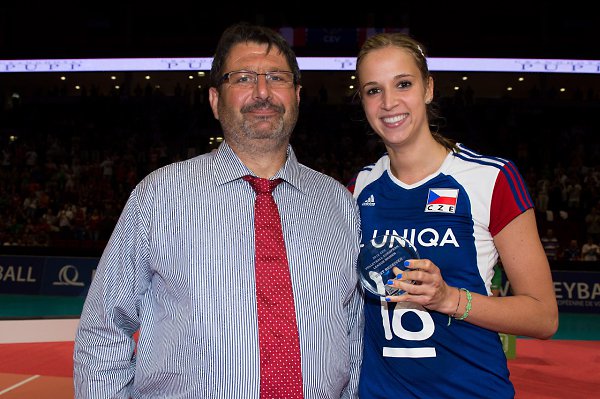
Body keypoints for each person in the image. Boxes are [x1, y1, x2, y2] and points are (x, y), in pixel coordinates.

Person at [73, 22, 363, 398]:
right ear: (214, 99)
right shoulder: (159, 195)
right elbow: (104, 328)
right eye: (243, 78)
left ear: (297, 95)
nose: (262, 92)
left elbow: (354, 329)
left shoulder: (336, 202)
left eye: (277, 78)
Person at [347, 32, 558, 398]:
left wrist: (449, 299)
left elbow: (543, 317)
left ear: (428, 88)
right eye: (373, 90)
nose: (389, 103)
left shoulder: (490, 178)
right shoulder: (361, 185)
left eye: (403, 84)